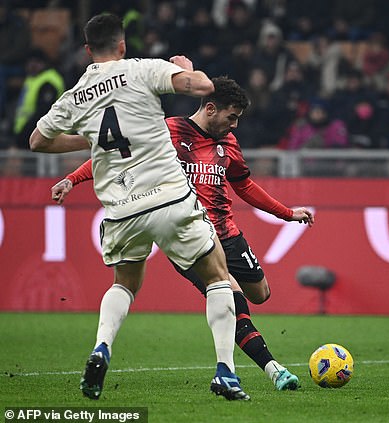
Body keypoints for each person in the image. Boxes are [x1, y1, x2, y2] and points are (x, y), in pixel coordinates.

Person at [29, 13, 249, 401]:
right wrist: (185, 68)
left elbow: (38, 141)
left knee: (124, 285)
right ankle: (226, 372)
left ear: (87, 51)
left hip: (120, 209)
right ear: (122, 45)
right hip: (169, 196)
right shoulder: (142, 69)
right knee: (217, 276)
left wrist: (90, 139)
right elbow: (204, 87)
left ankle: (101, 347)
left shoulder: (75, 94)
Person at [51, 76, 314, 391]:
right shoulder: (168, 131)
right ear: (211, 108)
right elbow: (115, 155)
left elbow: (244, 184)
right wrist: (72, 179)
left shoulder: (228, 143)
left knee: (260, 293)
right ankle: (273, 370)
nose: (234, 125)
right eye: (231, 117)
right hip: (189, 236)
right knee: (230, 295)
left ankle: (244, 366)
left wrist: (286, 213)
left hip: (227, 233)